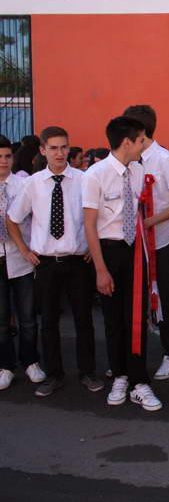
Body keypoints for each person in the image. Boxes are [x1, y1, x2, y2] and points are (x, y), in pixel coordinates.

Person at [7, 126, 100, 397]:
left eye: (64, 147)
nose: (60, 153)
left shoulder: (84, 179)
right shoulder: (33, 183)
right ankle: (54, 374)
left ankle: (87, 371)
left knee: (84, 319)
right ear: (43, 150)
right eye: (54, 148)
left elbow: (97, 216)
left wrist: (92, 248)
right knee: (48, 322)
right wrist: (24, 250)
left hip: (78, 260)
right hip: (46, 263)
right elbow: (12, 219)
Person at [83, 116, 162, 411]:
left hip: (136, 251)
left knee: (136, 317)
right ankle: (120, 375)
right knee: (113, 319)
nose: (144, 145)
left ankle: (139, 381)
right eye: (141, 140)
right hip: (109, 251)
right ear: (127, 142)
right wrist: (100, 270)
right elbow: (90, 225)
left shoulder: (139, 171)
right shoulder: (95, 175)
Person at [123, 105, 169, 382]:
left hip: (160, 241)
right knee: (133, 299)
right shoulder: (127, 158)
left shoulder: (164, 159)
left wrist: (149, 222)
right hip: (132, 241)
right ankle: (130, 360)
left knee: (162, 297)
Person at [0, 135, 42, 391]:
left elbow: (37, 217)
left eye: (7, 156)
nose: (3, 161)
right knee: (1, 318)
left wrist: (31, 248)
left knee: (27, 316)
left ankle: (30, 361)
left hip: (22, 256)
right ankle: (5, 365)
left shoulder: (24, 184)